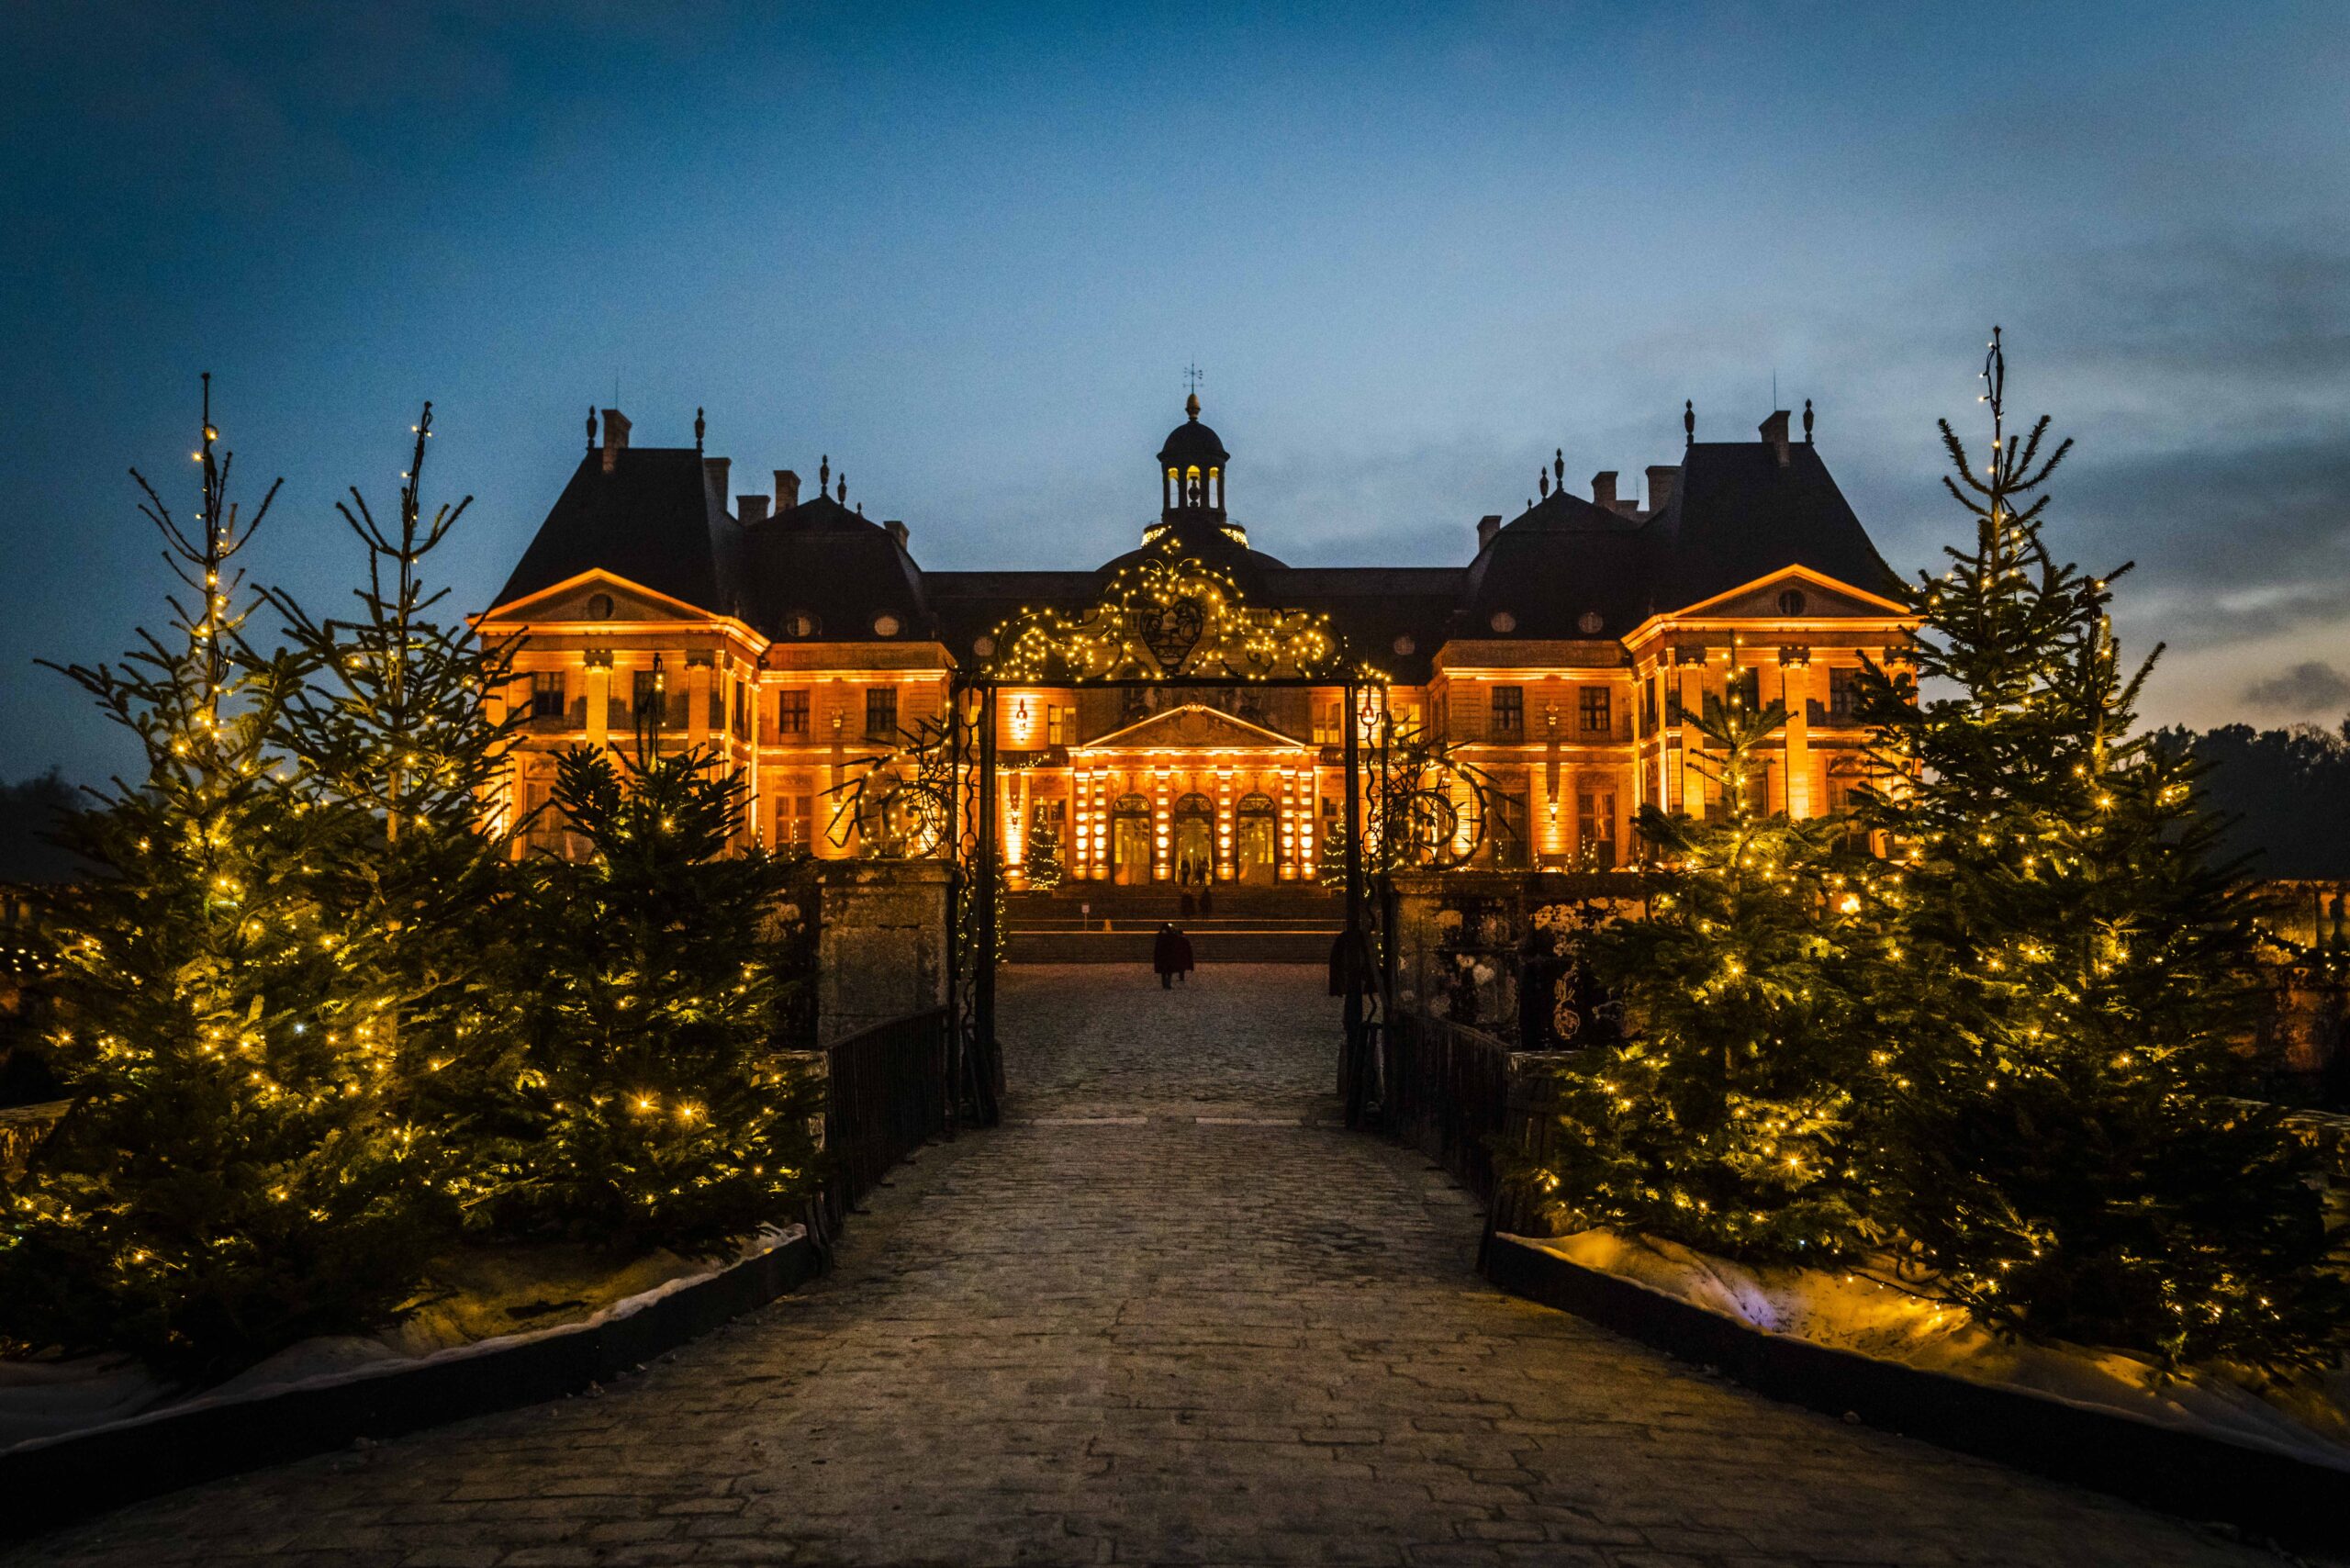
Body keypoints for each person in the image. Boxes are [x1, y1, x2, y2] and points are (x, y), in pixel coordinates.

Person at [1153, 921, 1195, 989]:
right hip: (1169, 956)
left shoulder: (1160, 936)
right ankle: (1168, 983)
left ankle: (1165, 983)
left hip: (1163, 956)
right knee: (1169, 971)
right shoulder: (1171, 936)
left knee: (1164, 972)